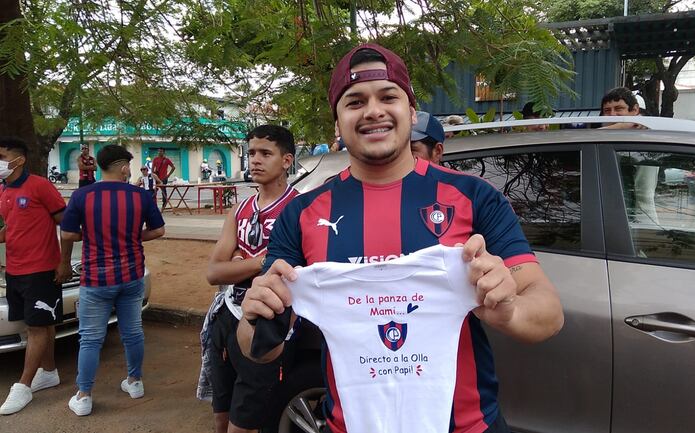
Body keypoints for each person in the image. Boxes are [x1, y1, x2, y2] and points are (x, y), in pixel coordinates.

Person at [237, 43, 564, 433]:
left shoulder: (476, 198)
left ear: (410, 112)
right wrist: (255, 316)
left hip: (468, 426)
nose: (373, 110)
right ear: (337, 122)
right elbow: (259, 348)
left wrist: (508, 308)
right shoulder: (302, 213)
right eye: (354, 101)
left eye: (387, 97)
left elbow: (549, 315)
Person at [201, 124, 299, 433]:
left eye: (265, 153)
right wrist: (261, 262)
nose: (255, 160)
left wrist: (240, 261)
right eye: (251, 153)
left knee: (244, 424)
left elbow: (290, 270)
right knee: (221, 415)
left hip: (266, 321)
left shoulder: (299, 208)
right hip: (227, 314)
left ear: (286, 160)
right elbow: (213, 272)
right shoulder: (239, 209)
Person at [60, 144, 165, 416]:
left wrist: (91, 235)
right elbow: (159, 230)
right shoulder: (140, 196)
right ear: (122, 168)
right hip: (131, 277)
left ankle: (84, 396)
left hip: (96, 280)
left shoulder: (82, 196)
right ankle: (135, 382)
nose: (129, 171)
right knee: (132, 332)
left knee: (91, 339)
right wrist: (132, 237)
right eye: (128, 166)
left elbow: (68, 235)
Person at [0, 136, 71, 415]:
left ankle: (23, 386)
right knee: (41, 324)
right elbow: (14, 226)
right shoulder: (4, 190)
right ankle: (50, 371)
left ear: (18, 160)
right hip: (14, 269)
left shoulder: (40, 185)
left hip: (41, 268)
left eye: (2, 156)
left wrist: (64, 262)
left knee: (37, 328)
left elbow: (65, 222)